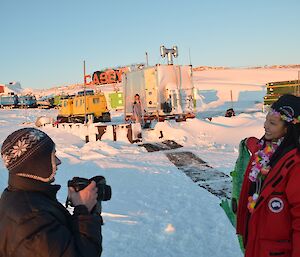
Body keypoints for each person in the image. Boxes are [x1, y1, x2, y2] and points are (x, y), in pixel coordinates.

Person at [0, 128, 103, 257]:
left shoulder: (18, 196)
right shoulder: (31, 220)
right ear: (36, 163)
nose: (58, 161)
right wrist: (84, 212)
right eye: (53, 155)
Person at [236, 94, 300, 257]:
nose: (265, 126)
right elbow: (255, 144)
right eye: (266, 120)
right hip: (257, 242)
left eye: (272, 123)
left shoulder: (295, 164)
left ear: (288, 128)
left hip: (276, 251)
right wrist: (248, 141)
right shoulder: (265, 150)